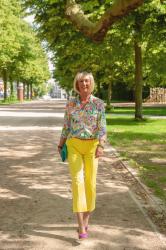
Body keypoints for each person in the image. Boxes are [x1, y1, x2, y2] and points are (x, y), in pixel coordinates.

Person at [58, 71, 107, 240]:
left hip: (92, 146)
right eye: (80, 82)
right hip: (74, 145)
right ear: (76, 85)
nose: (83, 84)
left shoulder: (99, 104)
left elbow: (102, 128)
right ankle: (80, 226)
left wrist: (101, 145)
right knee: (77, 182)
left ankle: (86, 219)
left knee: (90, 183)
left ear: (91, 83)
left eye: (86, 81)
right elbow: (66, 125)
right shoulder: (71, 103)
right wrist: (61, 142)